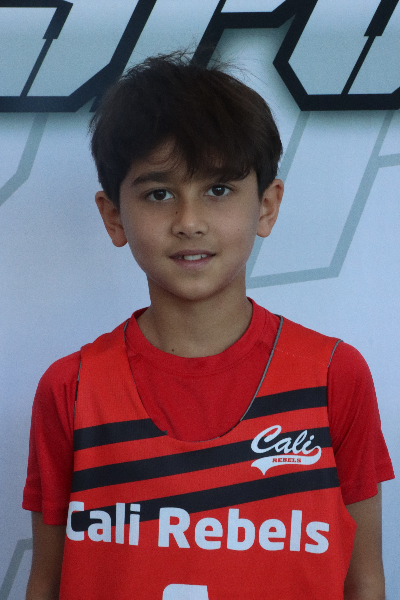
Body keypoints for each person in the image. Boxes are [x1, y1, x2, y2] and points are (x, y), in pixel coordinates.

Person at [24, 52, 394, 600]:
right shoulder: (72, 390)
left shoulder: (333, 376)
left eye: (218, 189)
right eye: (159, 194)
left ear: (266, 206)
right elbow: (47, 583)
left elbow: (365, 581)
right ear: (113, 216)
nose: (189, 222)